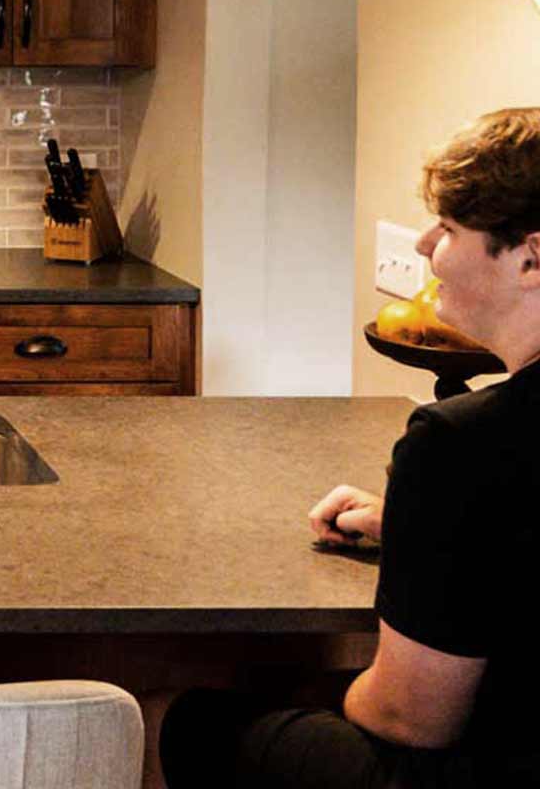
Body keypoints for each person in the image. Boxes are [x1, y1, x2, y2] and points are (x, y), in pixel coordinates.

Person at [161, 107, 540, 788]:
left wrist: (311, 693)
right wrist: (418, 528)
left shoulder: (458, 442)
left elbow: (410, 718)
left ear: (531, 258)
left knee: (176, 713)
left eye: (450, 229)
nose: (425, 245)